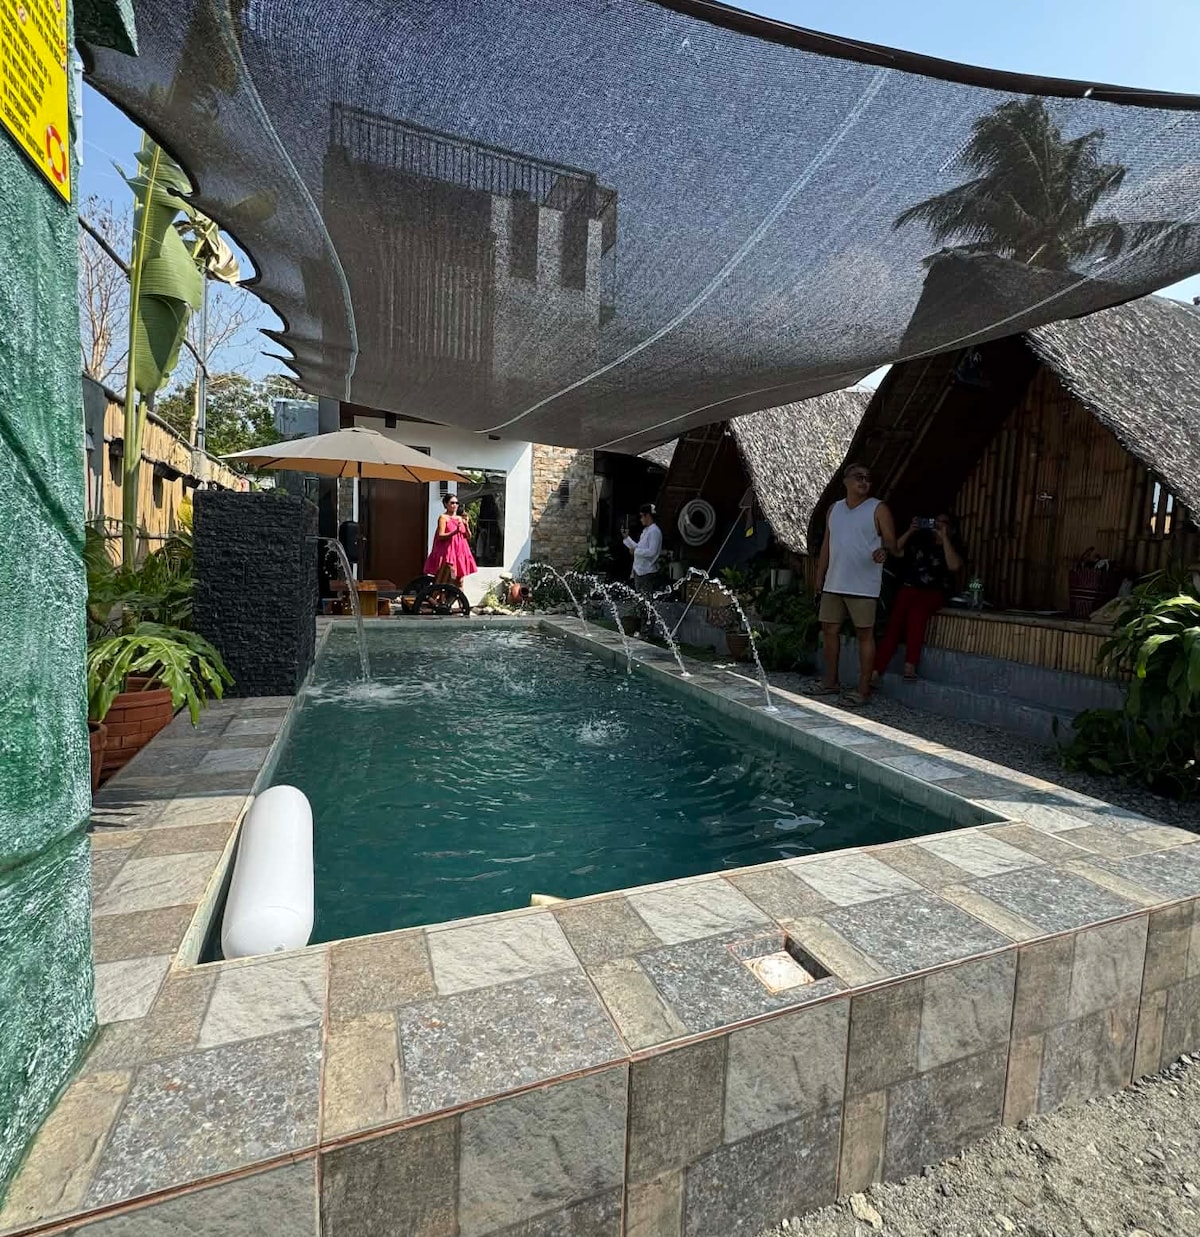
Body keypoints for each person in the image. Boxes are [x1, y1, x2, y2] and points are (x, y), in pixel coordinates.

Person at [813, 463, 897, 705]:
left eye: (868, 478)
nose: (864, 482)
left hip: (863, 584)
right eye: (859, 477)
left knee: (864, 635)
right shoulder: (834, 509)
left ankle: (863, 689)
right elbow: (827, 545)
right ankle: (831, 681)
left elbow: (891, 543)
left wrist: (884, 551)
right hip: (834, 581)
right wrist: (819, 578)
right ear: (846, 481)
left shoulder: (878, 509)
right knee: (829, 630)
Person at [874, 513, 963, 682]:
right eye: (936, 521)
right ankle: (876, 670)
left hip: (933, 592)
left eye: (943, 523)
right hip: (909, 588)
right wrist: (910, 531)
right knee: (894, 624)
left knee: (917, 614)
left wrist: (944, 538)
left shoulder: (953, 547)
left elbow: (954, 566)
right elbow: (895, 551)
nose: (938, 525)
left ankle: (910, 665)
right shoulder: (921, 542)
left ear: (951, 528)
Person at [423, 493, 477, 588]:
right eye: (452, 503)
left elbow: (468, 536)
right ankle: (439, 595)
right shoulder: (443, 517)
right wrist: (454, 532)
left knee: (460, 580)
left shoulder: (460, 518)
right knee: (446, 578)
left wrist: (467, 525)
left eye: (457, 503)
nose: (455, 505)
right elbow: (440, 535)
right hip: (448, 552)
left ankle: (460, 597)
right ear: (445, 504)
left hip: (459, 552)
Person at [622, 503, 663, 596]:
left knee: (645, 600)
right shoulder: (646, 531)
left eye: (642, 516)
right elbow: (639, 547)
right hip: (640, 571)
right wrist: (627, 538)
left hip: (647, 571)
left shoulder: (654, 531)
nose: (641, 519)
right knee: (640, 600)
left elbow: (652, 552)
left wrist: (635, 551)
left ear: (647, 516)